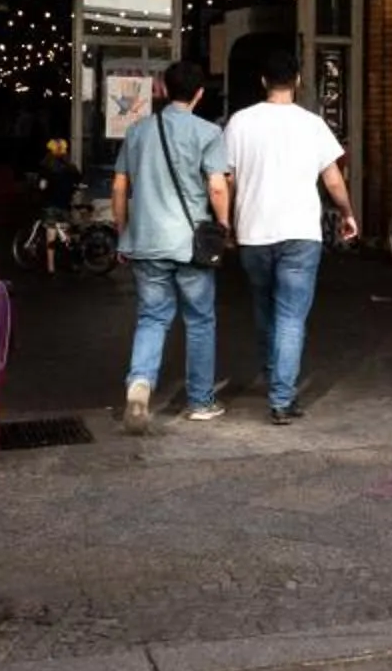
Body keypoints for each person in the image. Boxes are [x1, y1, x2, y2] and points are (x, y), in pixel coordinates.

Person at [224, 47, 359, 425]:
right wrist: (348, 213)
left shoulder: (239, 122)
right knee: (291, 316)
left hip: (253, 232)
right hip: (300, 234)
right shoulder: (312, 124)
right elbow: (332, 178)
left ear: (263, 81)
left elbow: (228, 180)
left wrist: (227, 224)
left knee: (266, 309)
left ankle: (275, 380)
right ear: (298, 81)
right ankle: (281, 397)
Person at [109, 59, 231, 433]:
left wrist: (122, 231)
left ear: (161, 89)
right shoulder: (208, 132)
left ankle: (140, 385)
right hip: (190, 243)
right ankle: (200, 401)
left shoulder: (139, 131)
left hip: (146, 242)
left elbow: (119, 187)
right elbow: (216, 185)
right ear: (199, 93)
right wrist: (224, 225)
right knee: (199, 321)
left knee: (152, 317)